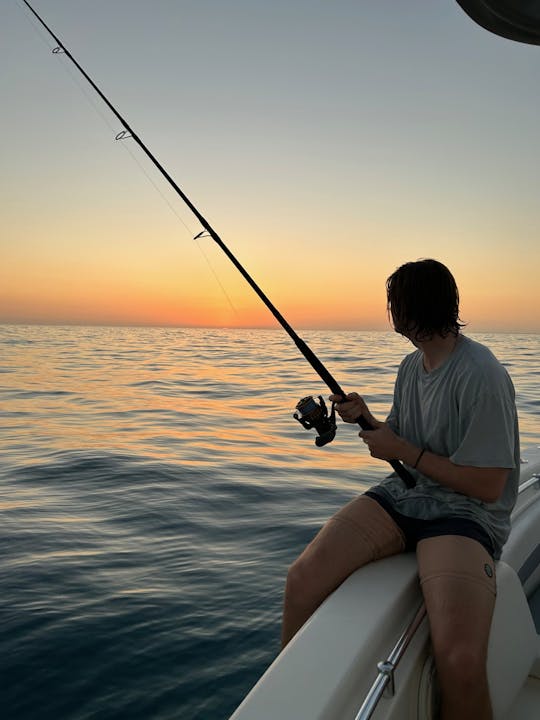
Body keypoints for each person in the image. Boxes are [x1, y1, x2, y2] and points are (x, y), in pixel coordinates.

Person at [281, 259, 520, 720]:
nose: (390, 311)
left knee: (461, 662)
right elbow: (405, 438)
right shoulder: (411, 368)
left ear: (411, 310)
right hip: (405, 494)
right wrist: (368, 419)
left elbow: (489, 486)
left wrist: (404, 452)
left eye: (395, 302)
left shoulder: (482, 375)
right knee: (301, 581)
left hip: (465, 514)